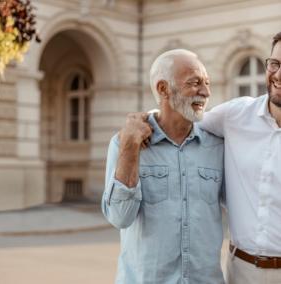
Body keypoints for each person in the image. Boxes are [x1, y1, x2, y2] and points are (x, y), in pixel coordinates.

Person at [102, 49, 225, 284]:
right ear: (163, 89)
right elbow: (120, 218)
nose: (206, 92)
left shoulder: (217, 145)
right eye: (194, 82)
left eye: (207, 83)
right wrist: (130, 148)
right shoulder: (125, 143)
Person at [198, 32, 281, 284]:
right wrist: (145, 120)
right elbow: (183, 122)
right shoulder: (235, 115)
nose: (277, 75)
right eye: (275, 64)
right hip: (241, 270)